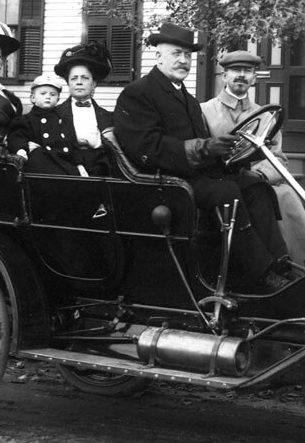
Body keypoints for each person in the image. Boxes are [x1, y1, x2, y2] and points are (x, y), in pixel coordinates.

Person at [114, 23, 291, 293]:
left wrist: (231, 154)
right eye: (176, 54)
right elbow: (147, 148)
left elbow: (205, 148)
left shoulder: (185, 97)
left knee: (256, 186)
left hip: (195, 175)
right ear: (158, 56)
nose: (184, 61)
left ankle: (280, 264)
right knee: (227, 191)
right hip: (165, 182)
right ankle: (262, 274)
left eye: (188, 55)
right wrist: (205, 148)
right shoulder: (138, 93)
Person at [201, 50, 305, 266]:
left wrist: (259, 174)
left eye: (247, 71)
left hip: (259, 182)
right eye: (235, 70)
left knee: (285, 195)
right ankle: (275, 263)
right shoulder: (205, 111)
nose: (241, 76)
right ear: (224, 76)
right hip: (222, 183)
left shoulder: (266, 116)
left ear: (254, 79)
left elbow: (278, 159)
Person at [7, 42, 114, 176]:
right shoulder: (52, 114)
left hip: (100, 168)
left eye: (85, 78)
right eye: (74, 78)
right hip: (67, 169)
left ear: (94, 83)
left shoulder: (109, 117)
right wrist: (26, 145)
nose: (79, 82)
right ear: (68, 83)